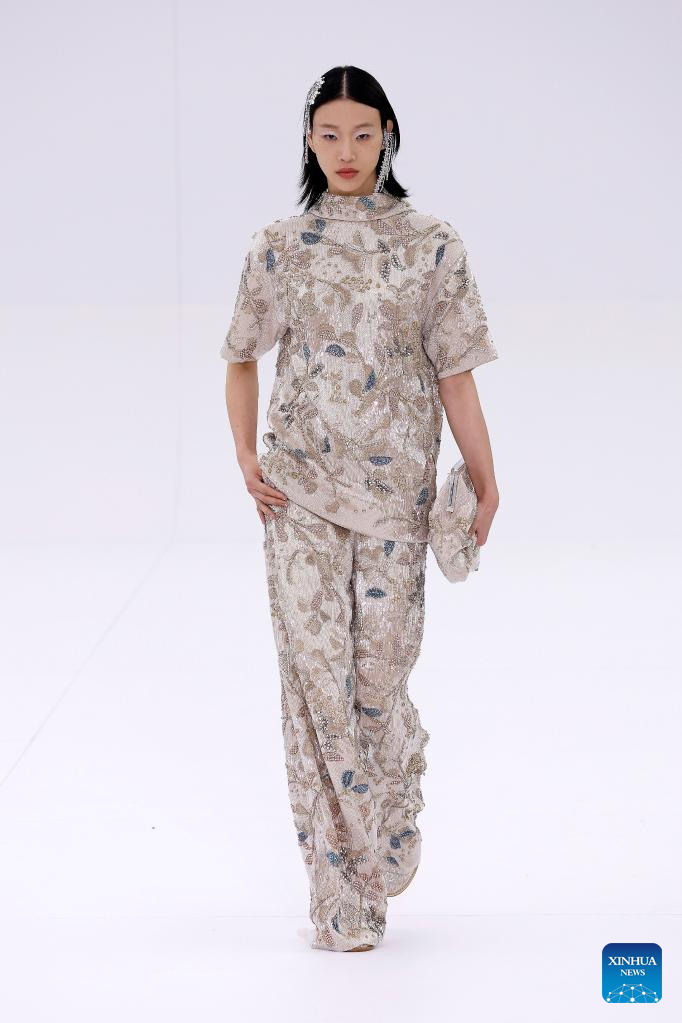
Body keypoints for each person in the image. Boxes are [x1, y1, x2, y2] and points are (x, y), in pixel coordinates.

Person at [221, 65, 500, 952]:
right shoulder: (279, 246)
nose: (347, 151)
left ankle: (393, 786)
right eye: (330, 134)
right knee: (317, 688)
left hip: (394, 502)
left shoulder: (432, 246)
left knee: (375, 685)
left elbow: (456, 374)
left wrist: (486, 476)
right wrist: (245, 457)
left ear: (388, 137)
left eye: (363, 133)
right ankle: (343, 895)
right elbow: (241, 355)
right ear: (310, 141)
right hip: (298, 496)